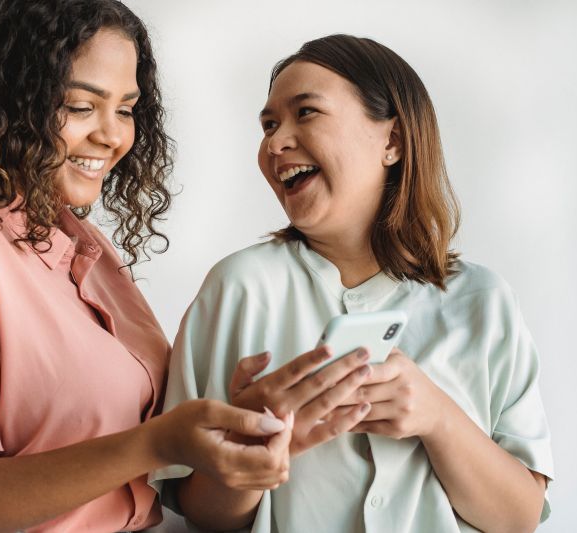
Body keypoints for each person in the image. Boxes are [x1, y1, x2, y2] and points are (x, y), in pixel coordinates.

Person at [0, 1, 295, 531]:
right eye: (80, 106)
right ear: (4, 101)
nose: (112, 135)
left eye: (126, 109)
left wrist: (233, 426)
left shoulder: (79, 242)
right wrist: (156, 443)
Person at [156, 34, 553, 532]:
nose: (275, 143)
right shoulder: (238, 288)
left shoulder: (485, 301)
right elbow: (199, 513)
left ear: (392, 141)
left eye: (306, 113)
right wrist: (248, 459)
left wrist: (438, 417)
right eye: (269, 124)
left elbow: (520, 518)